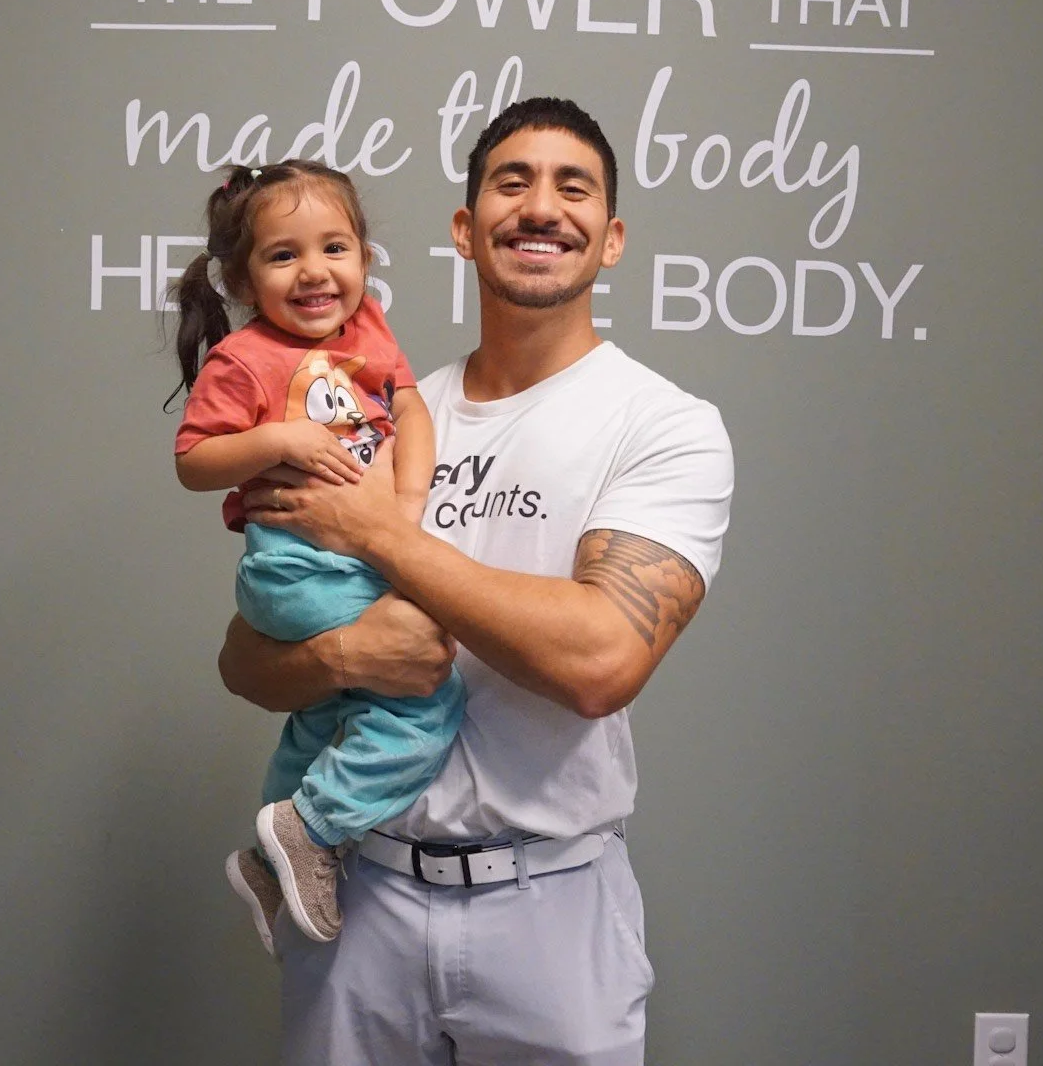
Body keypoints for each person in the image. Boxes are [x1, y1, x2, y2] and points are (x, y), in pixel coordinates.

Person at [220, 98, 735, 1065]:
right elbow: (247, 659)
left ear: (611, 238)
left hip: (552, 905)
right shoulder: (368, 411)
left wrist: (382, 533)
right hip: (355, 895)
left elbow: (599, 661)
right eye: (512, 183)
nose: (541, 207)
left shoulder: (663, 425)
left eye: (571, 187)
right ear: (465, 229)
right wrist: (341, 651)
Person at [168, 159, 469, 952]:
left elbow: (408, 405)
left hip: (354, 558)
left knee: (326, 718)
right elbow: (194, 462)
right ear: (241, 277)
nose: (315, 272)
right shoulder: (244, 360)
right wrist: (275, 438)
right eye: (283, 255)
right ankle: (312, 831)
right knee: (425, 700)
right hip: (297, 568)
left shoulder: (366, 325)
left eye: (335, 247)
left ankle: (271, 862)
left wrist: (401, 508)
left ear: (365, 258)